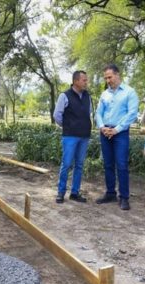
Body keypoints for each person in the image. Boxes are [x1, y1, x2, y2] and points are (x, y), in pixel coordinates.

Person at [95, 64, 139, 210]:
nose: (108, 80)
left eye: (110, 77)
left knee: (121, 165)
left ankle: (124, 197)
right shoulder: (104, 94)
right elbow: (98, 113)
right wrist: (102, 127)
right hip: (105, 132)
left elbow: (132, 114)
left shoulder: (129, 92)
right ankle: (110, 193)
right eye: (106, 78)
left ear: (117, 75)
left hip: (120, 133)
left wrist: (116, 129)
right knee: (108, 164)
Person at [54, 71, 92, 204]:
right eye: (84, 80)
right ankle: (61, 192)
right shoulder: (64, 96)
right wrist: (68, 126)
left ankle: (75, 193)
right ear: (76, 81)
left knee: (79, 165)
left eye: (86, 80)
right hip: (70, 136)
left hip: (84, 136)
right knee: (67, 164)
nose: (86, 82)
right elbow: (57, 115)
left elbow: (89, 113)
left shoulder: (88, 96)